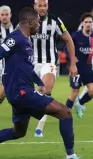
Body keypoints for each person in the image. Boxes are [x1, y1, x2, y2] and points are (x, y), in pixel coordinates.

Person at [0, 7, 88, 159]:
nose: (39, 25)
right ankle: (71, 158)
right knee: (65, 113)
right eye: (37, 22)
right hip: (22, 92)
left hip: (19, 93)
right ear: (30, 21)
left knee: (18, 132)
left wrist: (40, 82)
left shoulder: (26, 41)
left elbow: (27, 68)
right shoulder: (16, 38)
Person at [32, 0, 78, 137]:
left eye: (44, 5)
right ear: (34, 6)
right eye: (39, 5)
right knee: (26, 94)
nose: (42, 8)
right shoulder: (26, 20)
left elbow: (69, 40)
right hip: (30, 64)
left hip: (49, 62)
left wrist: (73, 63)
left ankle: (40, 126)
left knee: (45, 89)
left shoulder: (55, 21)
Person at [66, 13, 93, 118]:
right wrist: (72, 59)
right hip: (76, 69)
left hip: (88, 69)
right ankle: (64, 112)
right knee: (74, 92)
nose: (88, 24)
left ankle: (80, 104)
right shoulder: (76, 36)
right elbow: (66, 48)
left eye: (90, 22)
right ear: (82, 23)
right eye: (86, 22)